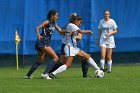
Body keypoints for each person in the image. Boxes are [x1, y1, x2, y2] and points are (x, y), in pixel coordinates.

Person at [48, 14, 100, 79]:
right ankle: (53, 73)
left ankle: (98, 69)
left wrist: (69, 33)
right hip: (69, 47)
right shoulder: (72, 25)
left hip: (73, 47)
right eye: (79, 22)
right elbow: (80, 31)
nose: (80, 24)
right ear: (75, 21)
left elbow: (63, 32)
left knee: (87, 56)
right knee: (68, 65)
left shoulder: (70, 25)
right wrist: (88, 31)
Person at [24, 9, 67, 79]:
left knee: (40, 61)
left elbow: (60, 31)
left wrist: (69, 32)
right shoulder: (47, 21)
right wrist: (38, 34)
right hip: (43, 40)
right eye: (56, 16)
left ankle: (27, 75)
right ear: (52, 15)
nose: (57, 17)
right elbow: (37, 28)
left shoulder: (54, 23)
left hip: (42, 41)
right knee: (56, 58)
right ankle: (45, 73)